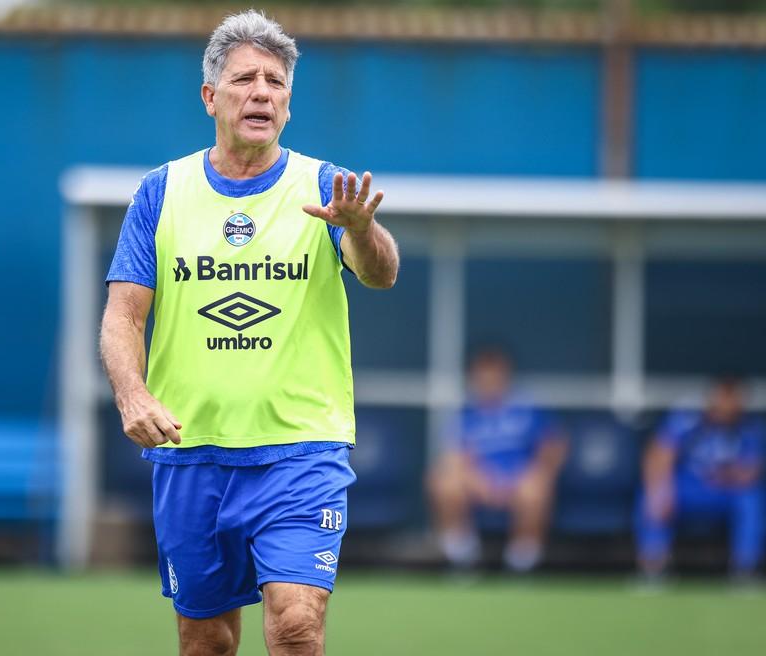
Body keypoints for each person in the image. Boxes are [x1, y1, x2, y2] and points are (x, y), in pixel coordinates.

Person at [99, 10, 399, 656]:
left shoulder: (324, 188)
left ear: (288, 103)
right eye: (244, 80)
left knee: (296, 627)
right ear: (210, 97)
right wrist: (132, 394)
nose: (261, 92)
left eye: (275, 82)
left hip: (300, 451)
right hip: (192, 453)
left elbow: (382, 274)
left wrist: (360, 229)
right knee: (206, 641)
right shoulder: (161, 192)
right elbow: (124, 315)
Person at [426, 348, 567, 572]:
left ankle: (522, 561)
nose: (489, 381)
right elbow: (453, 457)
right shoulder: (466, 413)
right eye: (483, 375)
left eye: (494, 375)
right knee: (443, 481)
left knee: (535, 486)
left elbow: (554, 447)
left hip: (520, 480)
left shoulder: (527, 407)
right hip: (480, 482)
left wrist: (533, 472)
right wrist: (478, 480)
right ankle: (462, 557)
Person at [637, 378, 764, 581]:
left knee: (751, 498)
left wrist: (727, 475)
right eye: (724, 397)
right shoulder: (689, 419)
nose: (729, 405)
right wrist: (661, 490)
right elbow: (658, 455)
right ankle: (654, 566)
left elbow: (751, 472)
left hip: (725, 491)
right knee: (654, 493)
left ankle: (745, 568)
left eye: (735, 399)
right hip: (690, 488)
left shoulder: (749, 427)